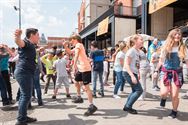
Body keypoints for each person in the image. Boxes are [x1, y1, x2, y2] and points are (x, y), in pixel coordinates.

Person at [154, 28, 188, 119]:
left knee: (174, 95)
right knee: (163, 92)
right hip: (165, 72)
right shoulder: (165, 47)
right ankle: (163, 98)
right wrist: (156, 71)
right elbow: (161, 61)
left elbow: (187, 61)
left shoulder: (183, 48)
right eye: (175, 35)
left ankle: (174, 111)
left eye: (179, 35)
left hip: (177, 73)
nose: (177, 36)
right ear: (171, 36)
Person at [63, 34, 97, 116]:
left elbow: (77, 54)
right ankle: (79, 97)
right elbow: (70, 52)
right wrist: (65, 46)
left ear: (75, 39)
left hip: (85, 68)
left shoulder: (79, 44)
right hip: (80, 69)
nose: (71, 42)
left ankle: (92, 106)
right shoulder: (77, 46)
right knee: (76, 81)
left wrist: (74, 65)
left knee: (86, 87)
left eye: (71, 40)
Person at [14, 28, 39, 125]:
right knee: (26, 96)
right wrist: (17, 37)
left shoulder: (31, 45)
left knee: (23, 96)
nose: (39, 37)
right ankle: (21, 120)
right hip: (24, 72)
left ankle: (23, 117)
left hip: (25, 72)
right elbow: (19, 42)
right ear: (32, 35)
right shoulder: (26, 42)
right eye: (37, 35)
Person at [122, 34, 143, 114]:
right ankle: (128, 106)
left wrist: (138, 73)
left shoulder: (137, 51)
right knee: (139, 90)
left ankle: (127, 106)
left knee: (135, 90)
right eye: (141, 39)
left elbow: (136, 64)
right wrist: (132, 76)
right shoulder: (131, 51)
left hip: (133, 73)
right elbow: (126, 65)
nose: (142, 41)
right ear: (135, 41)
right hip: (128, 73)